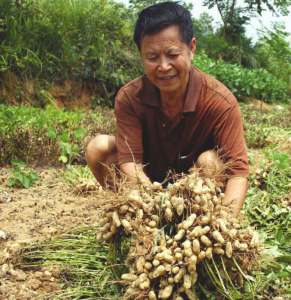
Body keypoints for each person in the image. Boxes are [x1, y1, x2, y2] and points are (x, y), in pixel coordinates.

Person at [85, 2, 249, 216]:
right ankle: (137, 218)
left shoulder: (220, 101)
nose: (163, 67)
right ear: (141, 54)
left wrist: (225, 224)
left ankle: (198, 219)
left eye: (173, 54)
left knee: (211, 162)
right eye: (152, 57)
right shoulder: (129, 98)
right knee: (99, 148)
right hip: (147, 187)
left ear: (191, 48)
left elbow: (238, 172)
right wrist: (156, 207)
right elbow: (130, 164)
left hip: (197, 194)